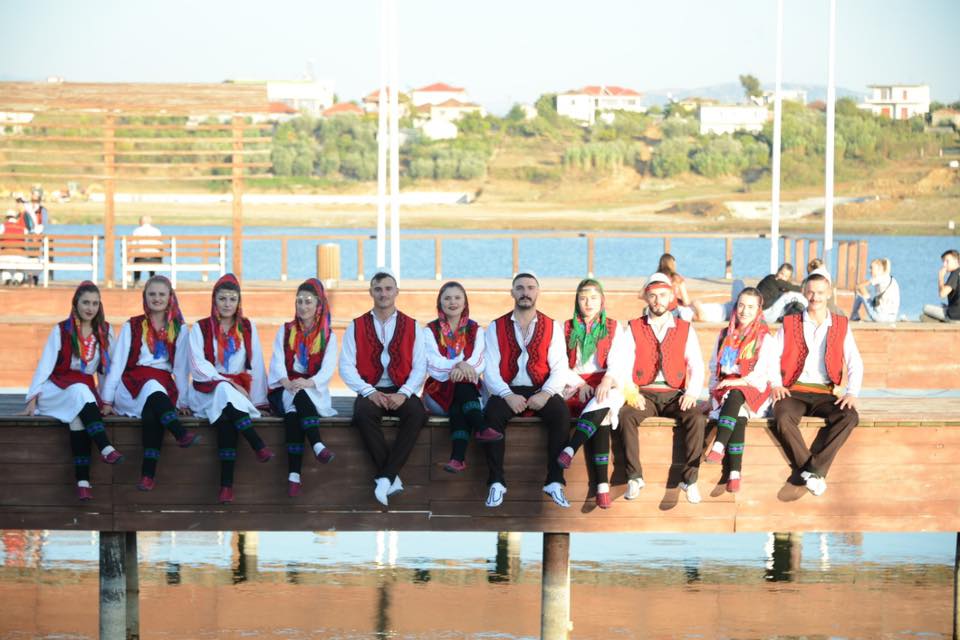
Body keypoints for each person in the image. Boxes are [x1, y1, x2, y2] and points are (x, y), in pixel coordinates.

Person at [22, 282, 123, 500]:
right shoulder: (61, 330)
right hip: (55, 390)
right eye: (85, 302)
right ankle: (105, 447)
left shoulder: (105, 331)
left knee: (78, 418)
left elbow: (106, 371)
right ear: (75, 303)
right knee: (80, 392)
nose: (90, 308)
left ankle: (83, 482)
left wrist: (107, 401)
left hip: (82, 392)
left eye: (95, 303)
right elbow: (45, 366)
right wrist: (32, 398)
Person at [480, 272, 571, 509]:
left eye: (530, 288)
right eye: (519, 288)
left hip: (541, 388)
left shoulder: (552, 326)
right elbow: (490, 369)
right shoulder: (496, 326)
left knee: (561, 414)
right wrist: (507, 395)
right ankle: (496, 482)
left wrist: (546, 393)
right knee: (491, 415)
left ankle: (554, 481)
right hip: (507, 389)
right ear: (512, 292)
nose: (525, 292)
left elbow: (560, 367)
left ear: (537, 292)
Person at [101, 275, 200, 492]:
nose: (157, 298)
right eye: (152, 294)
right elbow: (117, 364)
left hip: (162, 388)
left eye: (162, 294)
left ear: (170, 297)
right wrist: (107, 400)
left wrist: (183, 401)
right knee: (152, 388)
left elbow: (181, 369)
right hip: (132, 386)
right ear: (144, 296)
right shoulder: (133, 325)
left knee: (152, 410)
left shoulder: (179, 329)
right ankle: (179, 433)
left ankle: (147, 475)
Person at [770, 271, 863, 497]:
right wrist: (776, 384)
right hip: (794, 390)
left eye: (820, 292)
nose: (815, 297)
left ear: (829, 293)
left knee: (849, 416)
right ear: (804, 292)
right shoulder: (790, 322)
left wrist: (852, 392)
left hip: (825, 392)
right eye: (811, 292)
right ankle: (813, 473)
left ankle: (810, 471)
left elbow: (855, 360)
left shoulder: (841, 324)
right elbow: (771, 356)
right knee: (782, 416)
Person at [339, 270, 427, 507]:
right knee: (362, 414)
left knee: (417, 413)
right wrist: (369, 392)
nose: (383, 294)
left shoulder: (412, 325)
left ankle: (386, 477)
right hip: (371, 387)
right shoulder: (356, 325)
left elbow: (420, 366)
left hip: (401, 387)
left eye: (388, 289)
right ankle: (391, 478)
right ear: (371, 292)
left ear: (397, 292)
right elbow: (346, 366)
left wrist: (404, 393)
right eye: (378, 289)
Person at [618, 273, 707, 504]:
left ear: (671, 297)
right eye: (653, 296)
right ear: (647, 297)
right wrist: (631, 392)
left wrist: (692, 392)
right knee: (626, 415)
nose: (658, 300)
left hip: (674, 394)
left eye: (663, 295)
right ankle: (634, 477)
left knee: (697, 418)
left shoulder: (685, 328)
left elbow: (696, 364)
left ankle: (690, 480)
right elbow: (623, 364)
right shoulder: (634, 327)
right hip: (644, 393)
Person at [188, 274, 273, 504]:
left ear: (238, 302)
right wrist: (228, 383)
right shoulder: (200, 328)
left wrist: (260, 403)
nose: (227, 304)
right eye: (222, 299)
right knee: (224, 393)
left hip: (237, 394)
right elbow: (197, 366)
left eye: (232, 299)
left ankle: (226, 487)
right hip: (205, 390)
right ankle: (256, 444)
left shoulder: (247, 327)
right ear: (214, 300)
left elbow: (257, 365)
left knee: (227, 417)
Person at [556, 278, 630, 509]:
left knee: (604, 402)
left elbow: (618, 360)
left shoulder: (614, 327)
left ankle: (571, 448)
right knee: (601, 412)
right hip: (575, 383)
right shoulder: (565, 328)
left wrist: (607, 380)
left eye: (594, 298)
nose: (588, 303)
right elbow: (559, 363)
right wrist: (579, 384)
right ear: (576, 301)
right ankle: (602, 486)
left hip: (606, 382)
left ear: (602, 301)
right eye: (583, 298)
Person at [268, 278, 339, 497]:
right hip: (286, 387)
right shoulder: (286, 330)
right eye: (299, 301)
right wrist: (286, 382)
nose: (303, 306)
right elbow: (277, 361)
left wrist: (308, 382)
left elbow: (328, 369)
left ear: (319, 305)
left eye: (308, 301)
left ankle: (294, 476)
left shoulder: (328, 335)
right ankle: (317, 445)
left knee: (294, 412)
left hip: (314, 388)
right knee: (295, 397)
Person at [704, 287, 778, 493]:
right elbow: (714, 367)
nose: (745, 311)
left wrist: (738, 383)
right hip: (725, 390)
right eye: (741, 305)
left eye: (751, 307)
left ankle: (719, 445)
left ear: (758, 310)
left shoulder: (764, 338)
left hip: (754, 389)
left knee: (736, 394)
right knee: (738, 413)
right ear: (736, 306)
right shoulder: (724, 335)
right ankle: (734, 474)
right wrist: (711, 395)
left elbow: (762, 373)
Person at [422, 281, 486, 473]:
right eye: (447, 298)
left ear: (465, 302)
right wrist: (458, 365)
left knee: (460, 397)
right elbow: (432, 363)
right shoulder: (430, 330)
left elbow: (479, 360)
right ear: (440, 302)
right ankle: (481, 427)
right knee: (462, 388)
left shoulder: (475, 329)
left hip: (468, 388)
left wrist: (463, 368)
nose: (453, 302)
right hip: (438, 391)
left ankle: (457, 458)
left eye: (457, 297)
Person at [850, 258, 900, 323]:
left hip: (880, 318)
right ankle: (854, 315)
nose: (869, 270)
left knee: (860, 292)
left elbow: (859, 286)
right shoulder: (892, 279)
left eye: (871, 268)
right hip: (892, 318)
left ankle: (854, 315)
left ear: (879, 269)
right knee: (865, 291)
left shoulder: (879, 277)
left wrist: (854, 288)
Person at [921, 250, 960, 322]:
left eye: (947, 261)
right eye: (943, 262)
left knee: (925, 308)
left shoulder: (955, 273)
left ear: (956, 261)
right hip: (955, 311)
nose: (944, 265)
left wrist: (941, 277)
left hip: (954, 315)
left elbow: (942, 294)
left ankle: (947, 319)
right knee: (925, 317)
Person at [657, 253, 698, 321]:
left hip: (657, 311)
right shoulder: (677, 279)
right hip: (672, 312)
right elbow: (686, 301)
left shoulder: (655, 277)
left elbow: (641, 294)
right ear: (672, 264)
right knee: (695, 306)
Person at [131, 216, 163, 285]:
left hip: (140, 260)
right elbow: (161, 247)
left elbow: (132, 247)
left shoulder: (136, 231)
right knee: (154, 256)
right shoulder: (157, 231)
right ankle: (152, 279)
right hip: (155, 260)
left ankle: (136, 281)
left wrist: (129, 259)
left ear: (141, 222)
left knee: (137, 258)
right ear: (150, 222)